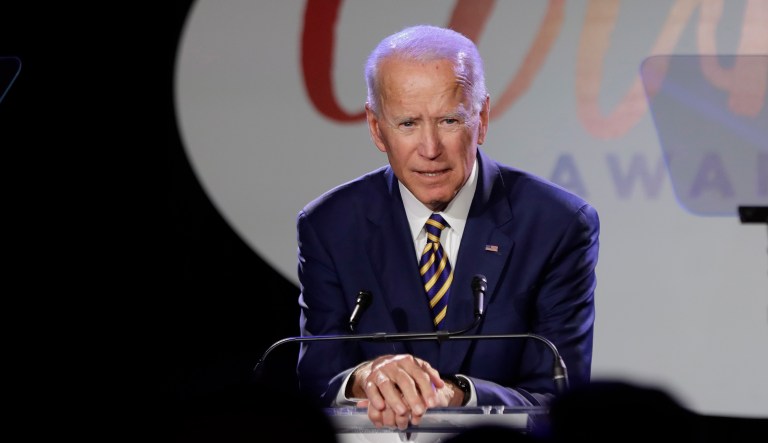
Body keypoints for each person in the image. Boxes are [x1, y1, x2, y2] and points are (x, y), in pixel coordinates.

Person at [295, 24, 600, 431]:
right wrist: (361, 379)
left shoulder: (556, 224)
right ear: (375, 127)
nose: (430, 149)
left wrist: (458, 394)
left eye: (449, 121)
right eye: (407, 124)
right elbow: (315, 382)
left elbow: (561, 397)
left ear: (483, 117)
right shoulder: (330, 226)